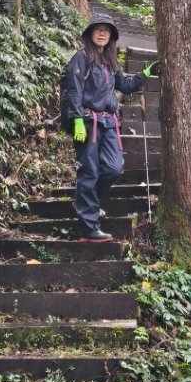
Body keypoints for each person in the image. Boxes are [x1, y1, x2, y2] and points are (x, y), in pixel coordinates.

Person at [62, 13, 155, 241]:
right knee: (89, 171)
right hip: (87, 121)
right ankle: (89, 228)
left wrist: (143, 75)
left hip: (108, 122)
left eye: (107, 30)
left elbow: (123, 84)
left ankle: (85, 200)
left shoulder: (110, 62)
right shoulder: (81, 58)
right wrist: (76, 121)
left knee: (114, 168)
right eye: (98, 29)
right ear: (90, 33)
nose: (102, 33)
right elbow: (73, 90)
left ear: (112, 36)